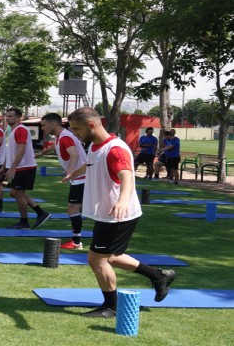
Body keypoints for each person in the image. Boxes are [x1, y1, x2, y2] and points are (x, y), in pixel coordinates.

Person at [63, 107, 175, 318]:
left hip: (117, 214)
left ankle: (111, 307)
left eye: (77, 129)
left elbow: (127, 175)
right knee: (111, 257)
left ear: (92, 125)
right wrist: (73, 174)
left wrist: (123, 200)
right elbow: (90, 164)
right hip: (107, 213)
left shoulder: (115, 149)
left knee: (97, 260)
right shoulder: (96, 146)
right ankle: (159, 276)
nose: (75, 134)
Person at [0, 108, 51, 229]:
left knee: (19, 194)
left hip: (24, 167)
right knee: (13, 193)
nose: (7, 118)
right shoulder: (13, 130)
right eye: (7, 116)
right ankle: (41, 213)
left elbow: (21, 149)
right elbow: (11, 152)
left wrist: (13, 168)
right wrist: (3, 167)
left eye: (10, 116)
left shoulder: (20, 129)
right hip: (19, 167)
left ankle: (24, 222)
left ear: (18, 118)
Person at [39, 113, 86, 249]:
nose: (43, 128)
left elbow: (74, 154)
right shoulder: (61, 136)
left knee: (73, 208)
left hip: (81, 178)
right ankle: (77, 240)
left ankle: (76, 242)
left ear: (54, 124)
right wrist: (42, 153)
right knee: (81, 209)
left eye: (44, 125)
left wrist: (70, 171)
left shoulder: (65, 137)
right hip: (81, 177)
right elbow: (56, 146)